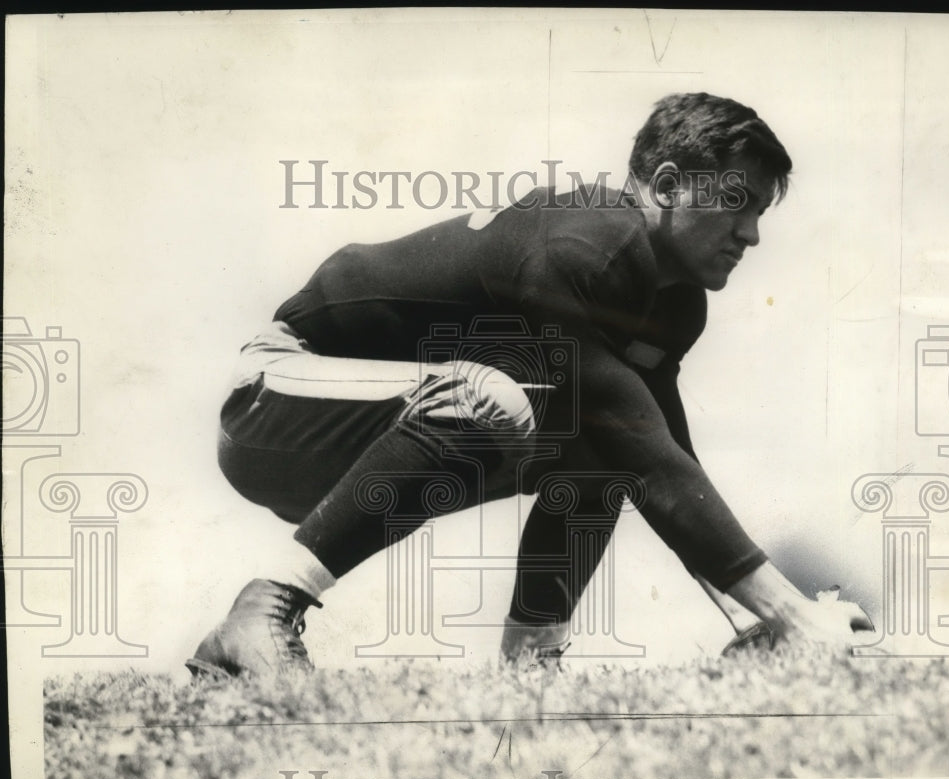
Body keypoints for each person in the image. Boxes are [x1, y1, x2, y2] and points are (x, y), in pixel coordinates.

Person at [187, 92, 872, 678]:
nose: (750, 234)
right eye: (737, 204)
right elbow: (632, 433)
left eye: (760, 214)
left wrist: (765, 621)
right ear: (666, 185)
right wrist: (796, 614)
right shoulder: (588, 243)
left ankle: (529, 670)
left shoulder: (673, 299)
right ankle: (263, 607)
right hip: (276, 399)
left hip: (374, 429)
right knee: (500, 403)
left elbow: (661, 462)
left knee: (602, 452)